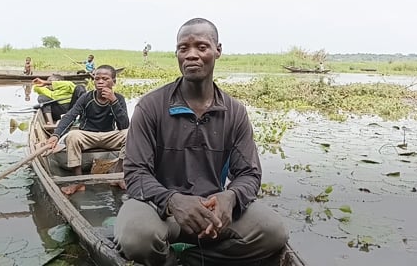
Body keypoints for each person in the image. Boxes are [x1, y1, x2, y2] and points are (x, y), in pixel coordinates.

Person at [115, 18, 288, 266]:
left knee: (273, 232)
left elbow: (249, 173)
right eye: (183, 48)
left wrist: (230, 197)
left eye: (202, 47)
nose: (191, 55)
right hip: (158, 210)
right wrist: (173, 201)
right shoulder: (151, 106)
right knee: (137, 239)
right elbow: (135, 174)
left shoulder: (234, 111)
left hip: (212, 211)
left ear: (218, 50)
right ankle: (170, 259)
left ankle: (193, 258)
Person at [43, 65, 129, 195]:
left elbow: (123, 125)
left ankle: (117, 175)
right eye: (97, 78)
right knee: (72, 135)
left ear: (114, 82)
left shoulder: (119, 99)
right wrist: (56, 135)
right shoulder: (86, 98)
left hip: (109, 136)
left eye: (105, 79)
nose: (100, 81)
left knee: (130, 134)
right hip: (87, 136)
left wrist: (114, 102)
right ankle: (78, 181)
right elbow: (70, 116)